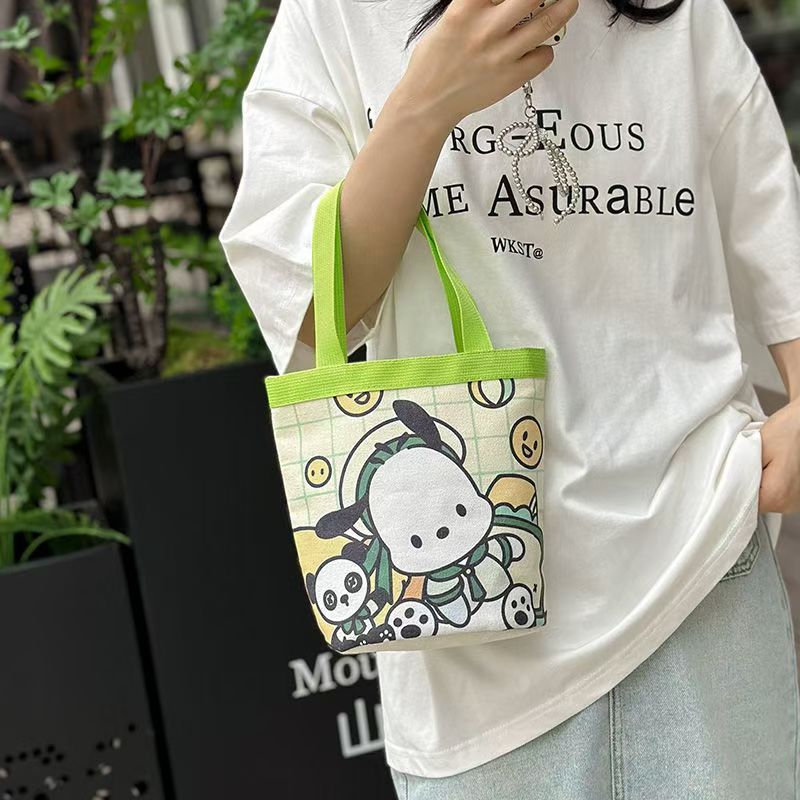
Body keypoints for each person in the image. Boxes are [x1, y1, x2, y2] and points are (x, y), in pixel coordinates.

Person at [220, 0, 800, 795]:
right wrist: (424, 104)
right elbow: (318, 311)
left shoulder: (678, 14)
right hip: (470, 637)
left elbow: (769, 208)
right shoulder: (337, 16)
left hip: (702, 554)